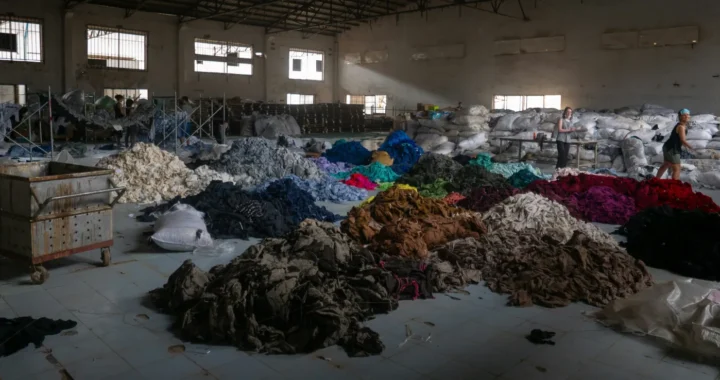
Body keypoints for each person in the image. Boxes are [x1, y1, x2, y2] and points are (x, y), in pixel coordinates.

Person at [656, 108, 694, 180]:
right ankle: (674, 186)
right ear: (680, 117)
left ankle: (656, 180)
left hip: (667, 147)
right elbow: (683, 140)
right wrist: (691, 147)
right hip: (672, 149)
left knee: (666, 164)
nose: (686, 116)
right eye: (684, 115)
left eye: (688, 115)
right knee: (677, 168)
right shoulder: (681, 127)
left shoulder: (681, 125)